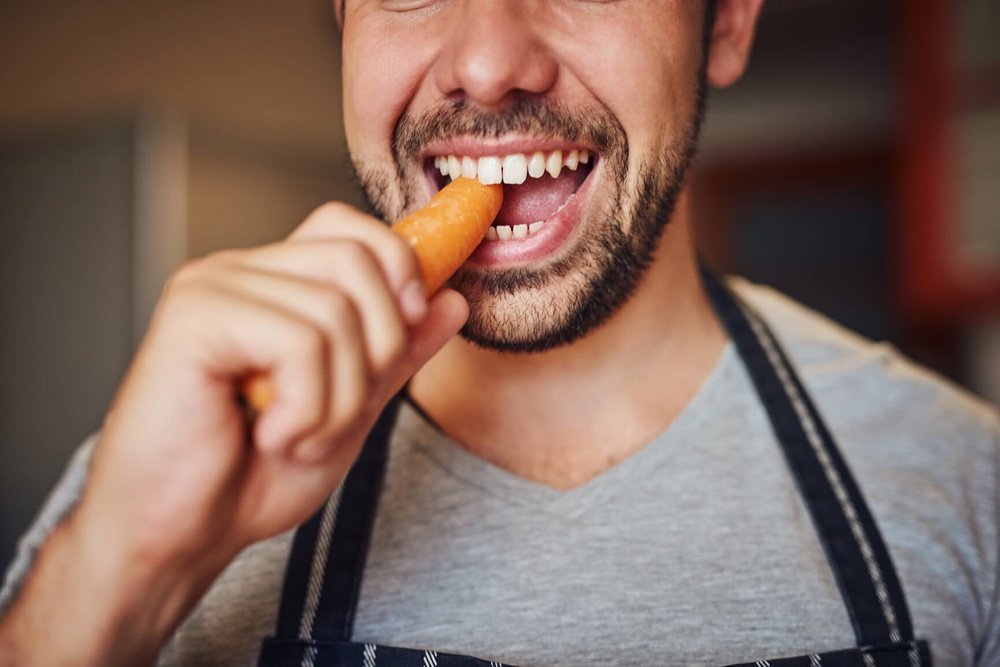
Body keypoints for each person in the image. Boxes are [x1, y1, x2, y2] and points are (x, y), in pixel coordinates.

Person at [1, 0, 998, 664]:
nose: (486, 66)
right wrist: (126, 573)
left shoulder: (966, 488)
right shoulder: (150, 486)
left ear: (725, 21)